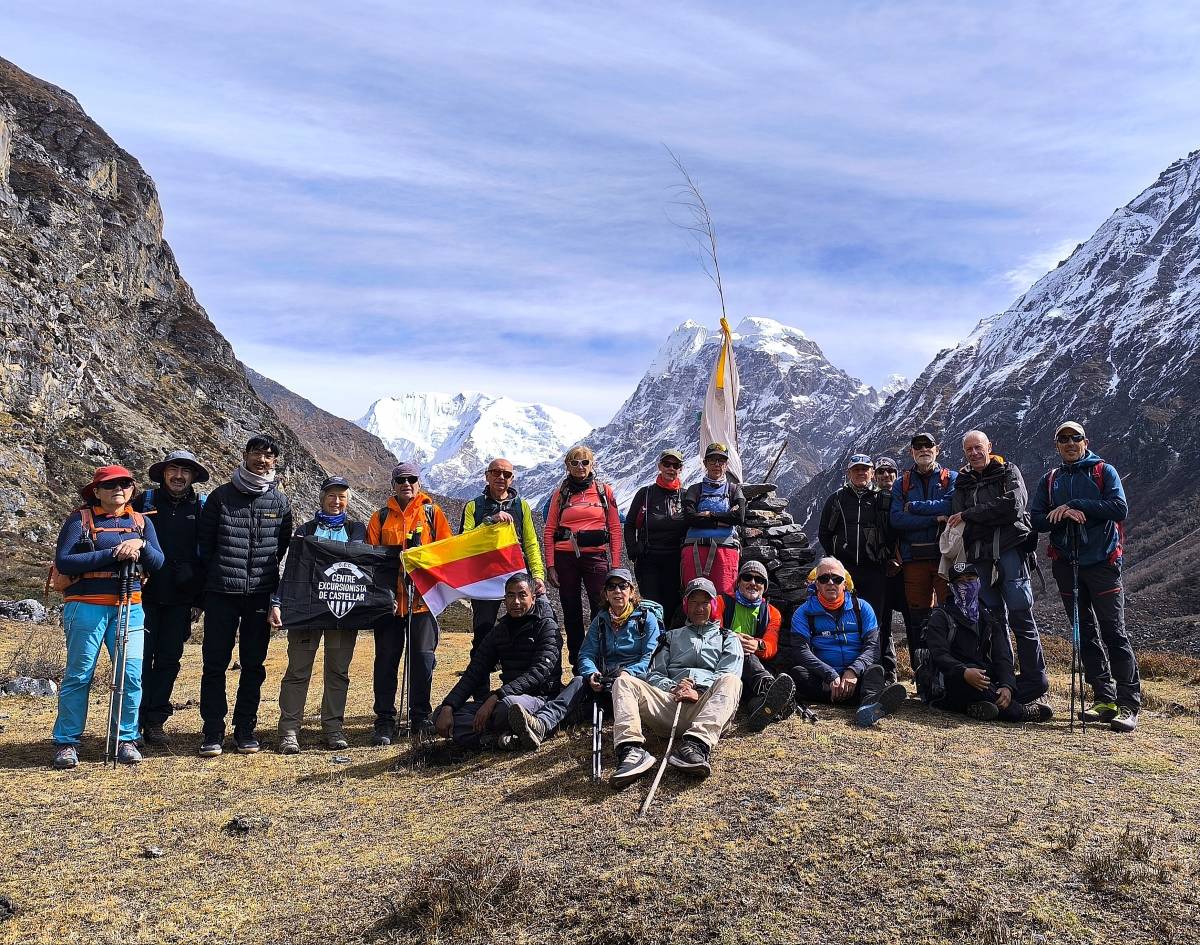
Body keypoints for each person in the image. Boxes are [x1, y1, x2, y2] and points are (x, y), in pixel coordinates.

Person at [1029, 421, 1142, 732]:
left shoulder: (1103, 471)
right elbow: (1036, 518)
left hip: (1103, 563)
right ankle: (1103, 698)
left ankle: (1129, 704)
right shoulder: (1050, 479)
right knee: (1084, 633)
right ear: (1056, 446)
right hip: (1067, 564)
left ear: (1085, 441)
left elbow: (1119, 508)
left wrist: (1076, 505)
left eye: (1074, 438)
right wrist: (1062, 514)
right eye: (1063, 439)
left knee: (1114, 633)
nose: (1069, 443)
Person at [51, 466, 165, 768]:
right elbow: (65, 561)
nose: (119, 488)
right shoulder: (79, 520)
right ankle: (67, 742)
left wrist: (140, 545)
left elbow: (159, 561)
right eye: (110, 484)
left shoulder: (140, 522)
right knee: (79, 674)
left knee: (129, 675)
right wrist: (116, 552)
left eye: (125, 484)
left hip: (130, 606)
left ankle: (126, 738)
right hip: (86, 606)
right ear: (96, 491)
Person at [197, 435, 293, 757]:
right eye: (256, 453)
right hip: (222, 592)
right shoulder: (220, 497)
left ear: (275, 462)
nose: (262, 460)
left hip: (260, 594)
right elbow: (205, 545)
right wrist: (217, 576)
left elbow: (281, 546)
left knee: (254, 664)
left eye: (268, 456)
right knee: (214, 663)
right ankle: (212, 730)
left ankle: (245, 729)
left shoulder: (279, 503)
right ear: (245, 455)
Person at [947, 430, 1050, 710]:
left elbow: (1015, 506)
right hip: (981, 559)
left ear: (989, 447)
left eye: (978, 447)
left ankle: (1036, 682)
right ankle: (1006, 682)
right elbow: (960, 522)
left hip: (1010, 555)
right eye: (969, 449)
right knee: (993, 622)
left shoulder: (1008, 471)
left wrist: (972, 513)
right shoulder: (963, 483)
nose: (974, 453)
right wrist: (986, 515)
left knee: (1020, 616)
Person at [608, 577, 743, 787]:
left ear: (713, 605)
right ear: (685, 606)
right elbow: (654, 674)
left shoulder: (728, 638)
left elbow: (728, 670)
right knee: (624, 682)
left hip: (706, 707)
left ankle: (695, 745)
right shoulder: (669, 637)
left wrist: (698, 690)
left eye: (705, 603)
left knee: (732, 681)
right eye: (694, 602)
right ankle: (631, 751)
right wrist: (673, 687)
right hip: (670, 704)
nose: (699, 608)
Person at [508, 567, 663, 749]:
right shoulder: (601, 620)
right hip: (605, 681)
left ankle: (530, 730)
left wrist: (628, 674)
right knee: (579, 681)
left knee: (579, 710)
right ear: (605, 593)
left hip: (634, 682)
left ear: (631, 591)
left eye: (622, 586)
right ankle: (541, 723)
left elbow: (649, 658)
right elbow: (586, 654)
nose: (617, 591)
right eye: (611, 587)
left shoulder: (647, 619)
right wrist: (591, 673)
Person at [276, 476, 368, 754]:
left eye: (341, 496)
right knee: (297, 670)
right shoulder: (306, 530)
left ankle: (333, 728)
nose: (336, 501)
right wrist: (278, 601)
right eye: (331, 495)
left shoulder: (356, 531)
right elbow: (292, 569)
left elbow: (364, 567)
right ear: (322, 497)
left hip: (343, 614)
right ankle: (289, 731)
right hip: (307, 612)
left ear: (348, 500)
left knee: (338, 670)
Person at [366, 461, 453, 744]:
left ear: (419, 482)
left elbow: (446, 553)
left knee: (422, 661)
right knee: (386, 661)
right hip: (389, 605)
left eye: (411, 479)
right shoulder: (379, 518)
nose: (406, 483)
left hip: (422, 603)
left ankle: (420, 717)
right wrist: (381, 598)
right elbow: (370, 562)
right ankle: (384, 720)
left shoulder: (432, 514)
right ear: (393, 484)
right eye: (401, 479)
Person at [132, 449, 209, 747]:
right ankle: (133, 721)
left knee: (168, 661)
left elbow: (207, 556)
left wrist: (199, 600)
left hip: (181, 600)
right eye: (173, 470)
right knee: (138, 660)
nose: (178, 476)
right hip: (143, 596)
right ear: (164, 473)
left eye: (185, 471)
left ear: (192, 476)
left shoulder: (202, 508)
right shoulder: (143, 503)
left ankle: (155, 721)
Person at [433, 573, 562, 749]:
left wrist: (496, 696)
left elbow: (538, 673)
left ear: (533, 598)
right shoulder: (500, 631)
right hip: (505, 697)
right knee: (440, 714)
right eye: (510, 595)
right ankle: (498, 739)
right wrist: (449, 705)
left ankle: (487, 735)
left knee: (508, 707)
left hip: (539, 698)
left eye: (522, 595)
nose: (516, 601)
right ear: (504, 599)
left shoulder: (547, 626)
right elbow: (475, 671)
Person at [775, 558, 907, 727]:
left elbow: (872, 647)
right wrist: (830, 675)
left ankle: (865, 704)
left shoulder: (863, 608)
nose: (831, 583)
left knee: (876, 671)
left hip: (857, 677)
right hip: (825, 679)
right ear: (816, 584)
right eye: (824, 578)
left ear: (845, 583)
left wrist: (853, 671)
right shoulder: (803, 613)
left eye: (836, 579)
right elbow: (801, 651)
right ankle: (866, 700)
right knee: (798, 673)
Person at [460, 458, 545, 700]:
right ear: (486, 476)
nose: (501, 477)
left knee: (525, 633)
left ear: (512, 479)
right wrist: (490, 521)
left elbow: (530, 542)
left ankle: (523, 691)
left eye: (506, 474)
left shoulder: (521, 506)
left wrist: (537, 575)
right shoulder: (473, 507)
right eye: (496, 472)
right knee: (483, 635)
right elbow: (465, 541)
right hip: (485, 580)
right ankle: (480, 696)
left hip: (516, 578)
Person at [925, 562, 1051, 723]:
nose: (966, 585)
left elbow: (1002, 654)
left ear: (978, 582)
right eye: (960, 582)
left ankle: (981, 705)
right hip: (955, 680)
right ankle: (1020, 712)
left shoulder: (987, 615)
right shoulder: (941, 616)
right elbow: (939, 655)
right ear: (951, 587)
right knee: (977, 683)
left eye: (970, 579)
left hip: (985, 678)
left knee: (1038, 682)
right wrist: (964, 672)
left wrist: (1007, 685)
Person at [818, 453, 897, 683]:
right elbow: (824, 532)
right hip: (846, 572)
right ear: (848, 473)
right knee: (846, 619)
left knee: (878, 621)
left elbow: (891, 531)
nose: (861, 473)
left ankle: (879, 672)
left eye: (865, 469)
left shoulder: (881, 499)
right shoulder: (837, 499)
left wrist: (887, 557)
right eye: (856, 469)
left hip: (875, 570)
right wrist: (837, 559)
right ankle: (848, 668)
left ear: (872, 472)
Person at [543, 445, 622, 674]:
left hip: (596, 557)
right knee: (571, 610)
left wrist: (615, 566)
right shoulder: (560, 493)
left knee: (601, 609)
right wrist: (550, 565)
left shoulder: (604, 491)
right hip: (565, 557)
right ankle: (578, 664)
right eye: (575, 462)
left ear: (592, 465)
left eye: (585, 462)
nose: (580, 467)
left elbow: (615, 529)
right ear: (567, 466)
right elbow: (549, 530)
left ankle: (598, 659)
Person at [889, 432, 957, 681]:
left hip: (944, 559)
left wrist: (915, 508)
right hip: (913, 561)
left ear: (936, 449)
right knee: (918, 619)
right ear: (911, 452)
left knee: (950, 613)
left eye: (928, 445)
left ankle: (949, 673)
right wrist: (933, 518)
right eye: (918, 446)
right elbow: (896, 519)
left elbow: (951, 507)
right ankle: (923, 677)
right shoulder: (902, 483)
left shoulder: (952, 478)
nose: (923, 449)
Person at [712, 560, 795, 731]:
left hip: (751, 669)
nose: (753, 583)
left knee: (751, 687)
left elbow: (771, 646)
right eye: (747, 577)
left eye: (759, 580)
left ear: (764, 587)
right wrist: (733, 639)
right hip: (723, 661)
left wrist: (757, 645)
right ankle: (768, 685)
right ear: (738, 581)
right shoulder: (721, 602)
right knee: (741, 651)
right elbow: (712, 633)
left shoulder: (772, 612)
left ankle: (763, 708)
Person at [624, 449, 689, 626]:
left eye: (675, 465)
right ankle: (651, 647)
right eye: (667, 464)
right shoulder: (645, 494)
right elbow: (629, 525)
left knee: (673, 605)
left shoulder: (685, 496)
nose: (671, 468)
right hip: (648, 560)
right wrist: (633, 549)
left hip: (676, 561)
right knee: (651, 606)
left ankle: (670, 647)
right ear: (659, 466)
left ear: (680, 469)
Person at [681, 443, 746, 598]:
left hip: (726, 550)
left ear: (726, 464)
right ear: (705, 463)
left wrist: (709, 515)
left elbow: (739, 517)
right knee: (693, 595)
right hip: (695, 549)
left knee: (725, 596)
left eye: (721, 461)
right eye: (712, 460)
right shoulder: (694, 490)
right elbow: (689, 518)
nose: (717, 464)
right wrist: (724, 518)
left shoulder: (734, 490)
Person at [873, 456, 912, 680]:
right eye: (881, 472)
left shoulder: (905, 499)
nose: (886, 476)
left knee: (913, 620)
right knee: (882, 622)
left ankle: (922, 671)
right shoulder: (871, 502)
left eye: (890, 472)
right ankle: (887, 672)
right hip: (880, 571)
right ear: (875, 476)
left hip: (906, 568)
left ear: (897, 475)